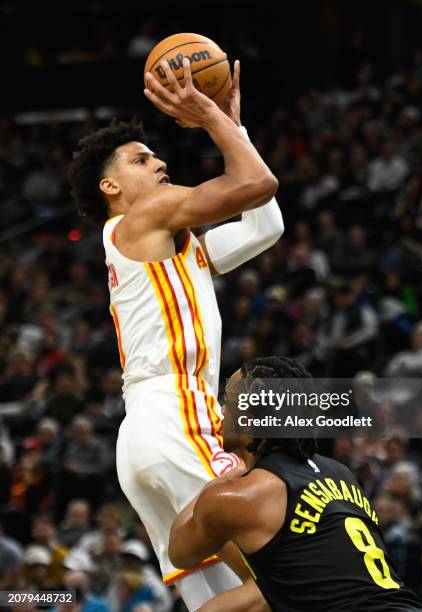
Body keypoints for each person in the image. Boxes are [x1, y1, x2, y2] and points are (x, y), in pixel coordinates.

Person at [69, 57, 282, 611]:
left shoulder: (164, 249)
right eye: (142, 159)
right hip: (174, 412)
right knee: (282, 577)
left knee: (231, 599)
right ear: (111, 186)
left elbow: (266, 222)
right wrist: (212, 116)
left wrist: (236, 130)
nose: (160, 161)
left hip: (145, 431)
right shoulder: (145, 217)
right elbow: (257, 181)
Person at [169, 356, 422, 611]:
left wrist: (225, 477)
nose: (220, 409)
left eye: (228, 400)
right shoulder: (342, 473)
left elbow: (180, 552)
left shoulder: (240, 497)